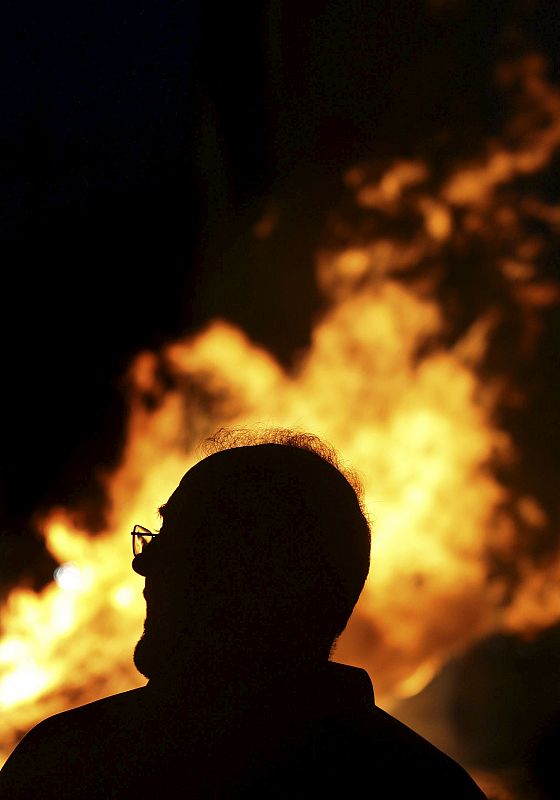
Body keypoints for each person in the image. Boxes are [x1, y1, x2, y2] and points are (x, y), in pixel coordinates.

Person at [0, 428, 487, 798]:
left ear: (256, 571)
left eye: (180, 539)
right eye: (155, 536)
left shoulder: (74, 763)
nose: (144, 560)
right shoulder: (424, 785)